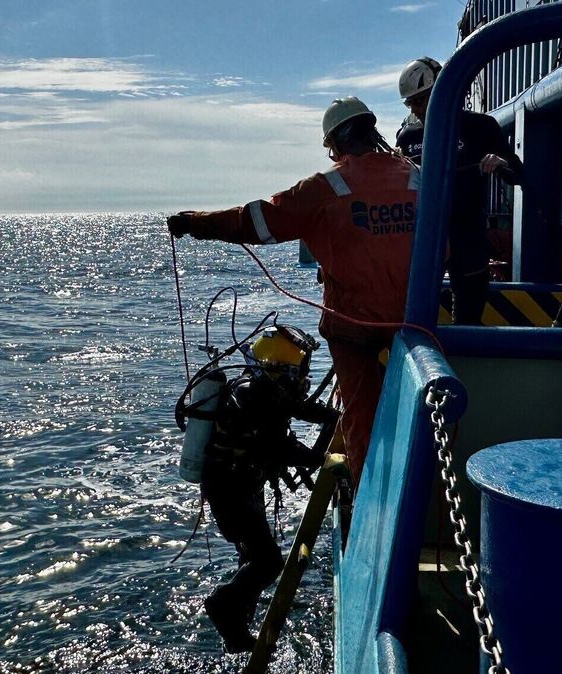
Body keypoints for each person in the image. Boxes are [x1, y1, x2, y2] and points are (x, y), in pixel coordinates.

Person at [168, 96, 419, 490]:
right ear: (371, 130)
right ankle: (422, 481)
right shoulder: (416, 176)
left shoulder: (326, 188)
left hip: (353, 328)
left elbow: (255, 221)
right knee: (420, 407)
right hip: (414, 320)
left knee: (362, 416)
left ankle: (370, 495)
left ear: (335, 143)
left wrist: (194, 224)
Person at [186, 325, 333, 653]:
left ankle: (236, 630)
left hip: (242, 485)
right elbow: (288, 450)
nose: (301, 380)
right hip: (230, 491)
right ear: (281, 372)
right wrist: (328, 453)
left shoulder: (261, 390)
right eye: (297, 373)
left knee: (253, 557)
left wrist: (330, 416)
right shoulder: (254, 400)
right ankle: (223, 604)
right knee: (267, 562)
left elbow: (296, 408)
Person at [396, 56, 523, 325]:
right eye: (410, 103)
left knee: (468, 317)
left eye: (419, 101)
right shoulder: (408, 138)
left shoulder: (481, 127)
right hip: (424, 240)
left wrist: (500, 163)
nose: (415, 109)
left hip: (468, 238)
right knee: (411, 317)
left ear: (442, 91)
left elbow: (518, 173)